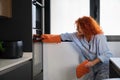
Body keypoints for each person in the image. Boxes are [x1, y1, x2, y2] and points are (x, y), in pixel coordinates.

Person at [41, 16, 113, 80]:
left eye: (80, 27)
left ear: (87, 27)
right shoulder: (76, 36)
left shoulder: (99, 37)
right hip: (91, 68)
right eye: (77, 26)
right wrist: (42, 37)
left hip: (104, 66)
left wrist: (92, 63)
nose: (77, 29)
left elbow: (107, 54)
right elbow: (61, 36)